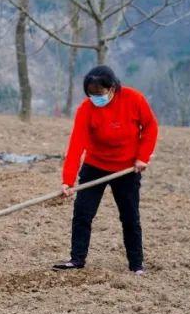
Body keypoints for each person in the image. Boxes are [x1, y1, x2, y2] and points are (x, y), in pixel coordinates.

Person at [53, 65, 158, 275]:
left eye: (99, 94)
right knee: (82, 214)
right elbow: (76, 145)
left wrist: (142, 157)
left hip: (126, 169)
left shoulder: (133, 99)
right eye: (91, 94)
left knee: (130, 217)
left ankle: (136, 264)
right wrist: (68, 180)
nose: (95, 98)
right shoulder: (86, 109)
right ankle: (77, 259)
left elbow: (150, 127)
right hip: (95, 166)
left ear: (112, 88)